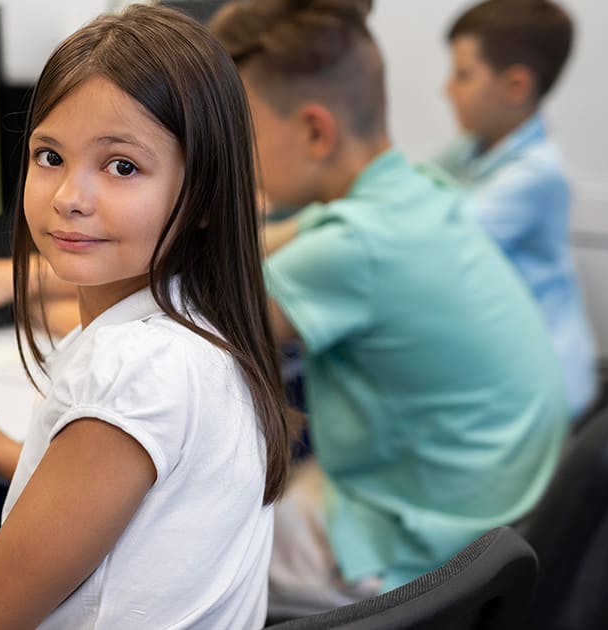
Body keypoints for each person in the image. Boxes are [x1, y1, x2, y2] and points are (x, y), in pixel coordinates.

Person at [0, 5, 294, 628]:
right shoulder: (197, 322)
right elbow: (132, 493)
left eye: (122, 167)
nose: (68, 198)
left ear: (205, 196)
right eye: (49, 156)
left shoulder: (138, 369)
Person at [210, 0, 567, 616]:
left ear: (316, 131)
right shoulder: (415, 192)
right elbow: (257, 248)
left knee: (167, 562)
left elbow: (187, 324)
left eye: (241, 132)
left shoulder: (356, 248)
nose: (234, 154)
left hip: (416, 547)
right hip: (495, 518)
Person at [433, 0, 597, 416]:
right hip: (509, 364)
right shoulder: (471, 148)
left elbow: (441, 238)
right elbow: (411, 186)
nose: (446, 89)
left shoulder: (539, 174)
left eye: (462, 75)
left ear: (516, 86)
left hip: (547, 386)